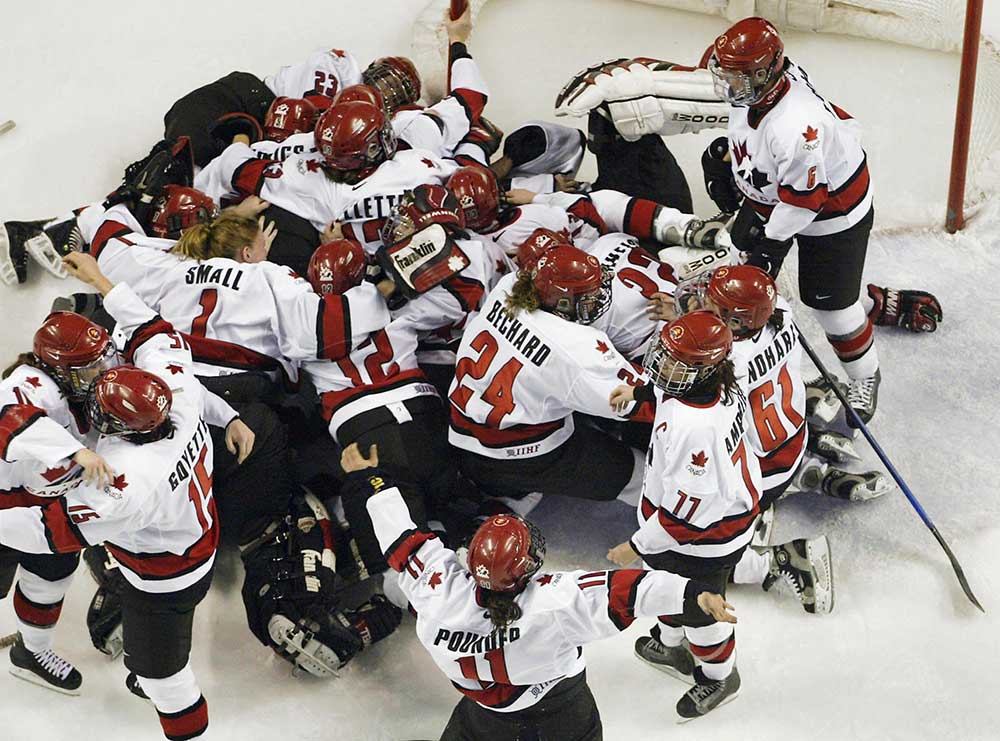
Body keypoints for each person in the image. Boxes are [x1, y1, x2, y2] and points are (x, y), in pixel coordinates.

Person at [339, 441, 737, 740]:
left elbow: (401, 536)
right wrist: (695, 596)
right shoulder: (554, 604)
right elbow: (633, 590)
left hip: (483, 721)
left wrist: (369, 479)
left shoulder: (435, 589)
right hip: (561, 717)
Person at [0, 273, 243, 738]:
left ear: (118, 432)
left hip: (129, 547)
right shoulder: (175, 394)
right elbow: (155, 333)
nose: (102, 374)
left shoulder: (126, 483)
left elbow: (50, 531)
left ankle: (155, 686)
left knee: (53, 576)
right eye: (93, 367)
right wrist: (227, 414)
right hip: (168, 535)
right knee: (51, 574)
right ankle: (49, 652)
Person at [702, 17, 943, 424]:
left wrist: (771, 244)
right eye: (724, 73)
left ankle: (865, 375)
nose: (726, 85)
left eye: (736, 77)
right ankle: (871, 302)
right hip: (778, 196)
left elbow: (805, 203)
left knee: (830, 306)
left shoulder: (796, 125)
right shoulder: (759, 87)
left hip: (832, 214)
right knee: (744, 256)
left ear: (765, 72)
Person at [606, 311, 756, 720]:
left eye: (677, 362)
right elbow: (665, 392)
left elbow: (689, 519)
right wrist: (638, 394)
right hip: (687, 519)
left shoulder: (697, 430)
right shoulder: (709, 383)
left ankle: (721, 677)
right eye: (667, 356)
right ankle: (671, 645)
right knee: (664, 586)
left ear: (704, 369)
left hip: (705, 537)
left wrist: (636, 546)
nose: (663, 367)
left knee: (701, 614)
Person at [448, 241, 653, 513]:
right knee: (641, 476)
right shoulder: (575, 348)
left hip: (462, 428)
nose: (598, 298)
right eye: (589, 296)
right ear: (564, 302)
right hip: (522, 456)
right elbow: (643, 402)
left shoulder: (508, 286)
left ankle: (512, 496)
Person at [0, 313, 119, 694]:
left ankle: (30, 654)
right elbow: (9, 418)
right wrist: (74, 452)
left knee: (49, 583)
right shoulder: (28, 384)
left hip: (54, 506)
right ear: (59, 367)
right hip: (6, 505)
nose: (101, 371)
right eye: (89, 367)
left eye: (102, 359)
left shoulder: (88, 381)